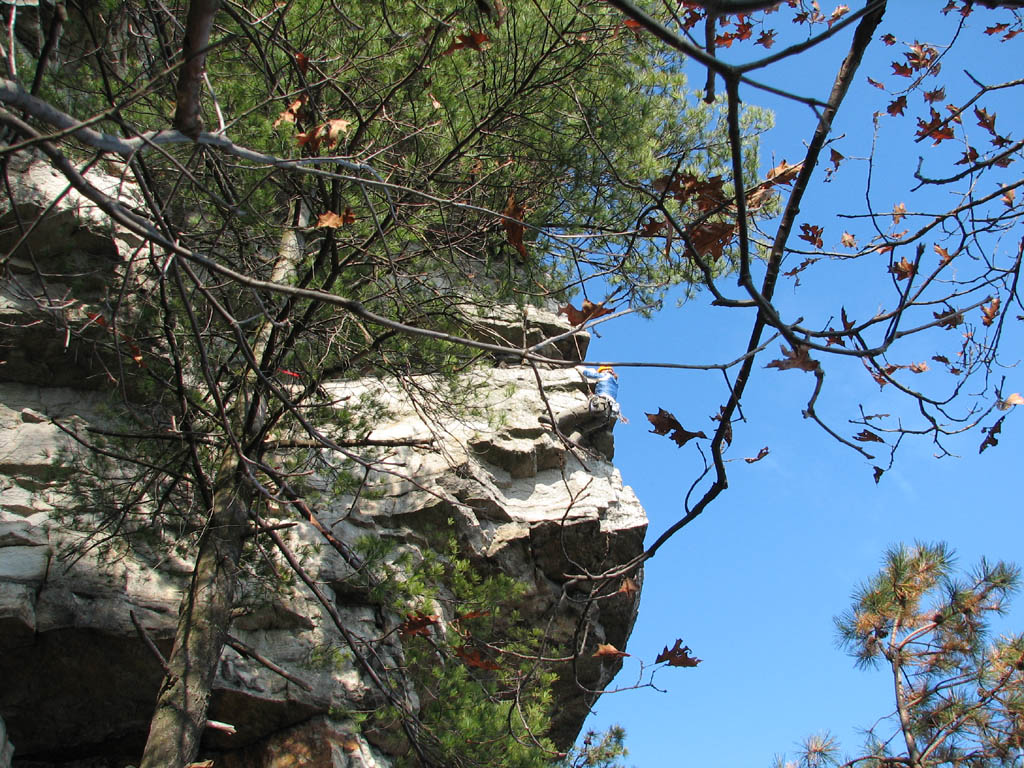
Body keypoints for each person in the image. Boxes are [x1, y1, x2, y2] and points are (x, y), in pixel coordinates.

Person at [540, 365, 621, 459]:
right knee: (582, 428)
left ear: (605, 371)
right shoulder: (615, 384)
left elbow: (589, 374)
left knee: (575, 412)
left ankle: (555, 420)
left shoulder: (606, 376)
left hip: (599, 404)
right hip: (605, 415)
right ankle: (572, 441)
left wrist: (580, 368)